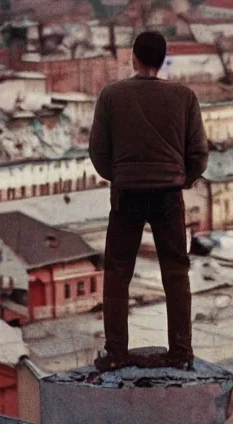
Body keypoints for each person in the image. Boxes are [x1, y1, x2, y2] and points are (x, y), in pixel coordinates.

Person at [89, 31, 209, 372]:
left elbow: (98, 151)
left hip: (126, 195)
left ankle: (117, 352)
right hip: (168, 197)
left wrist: (121, 175)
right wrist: (180, 179)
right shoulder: (184, 96)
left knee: (117, 274)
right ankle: (181, 352)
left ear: (133, 58)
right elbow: (198, 152)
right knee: (175, 273)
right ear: (163, 58)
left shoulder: (112, 95)